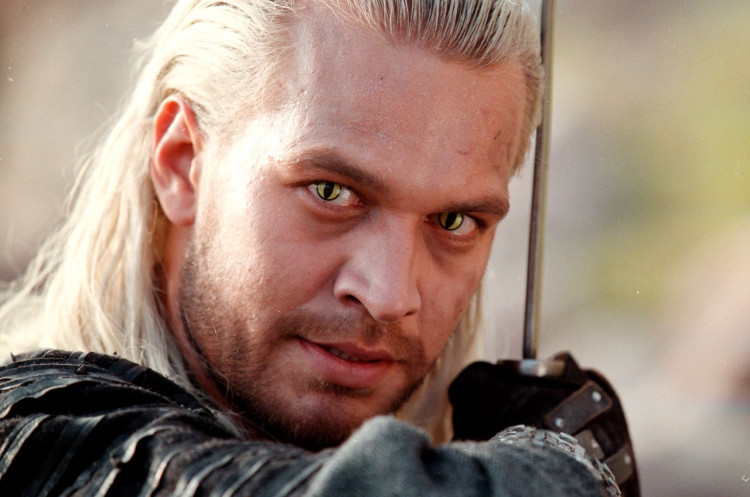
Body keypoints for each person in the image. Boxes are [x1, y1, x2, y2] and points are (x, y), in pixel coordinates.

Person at [0, 0, 626, 495]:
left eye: (454, 220)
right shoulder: (36, 433)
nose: (389, 295)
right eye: (331, 192)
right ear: (184, 165)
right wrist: (560, 468)